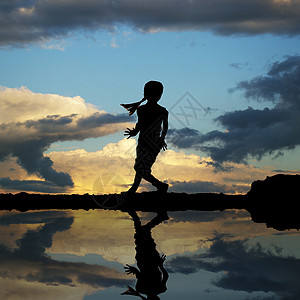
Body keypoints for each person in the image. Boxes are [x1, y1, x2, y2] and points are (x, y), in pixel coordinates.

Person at [121, 81, 169, 195]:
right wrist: (135, 132)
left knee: (140, 167)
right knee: (141, 166)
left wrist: (161, 139)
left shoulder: (162, 111)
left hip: (153, 143)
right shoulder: (142, 110)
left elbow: (165, 128)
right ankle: (135, 188)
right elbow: (140, 124)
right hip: (144, 142)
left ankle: (160, 185)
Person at [121, 211, 169, 300]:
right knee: (140, 234)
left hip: (146, 261)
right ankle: (134, 214)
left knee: (141, 234)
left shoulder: (143, 289)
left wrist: (160, 266)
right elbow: (164, 276)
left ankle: (160, 217)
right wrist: (160, 265)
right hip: (149, 261)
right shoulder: (142, 289)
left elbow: (140, 276)